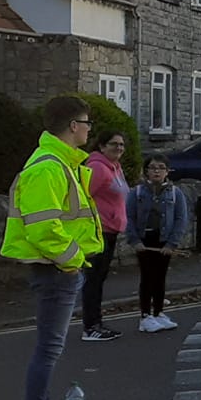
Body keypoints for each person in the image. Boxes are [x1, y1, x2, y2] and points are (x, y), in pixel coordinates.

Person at [1, 96, 102, 400]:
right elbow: (42, 228)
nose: (90, 129)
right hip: (56, 271)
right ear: (73, 126)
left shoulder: (61, 162)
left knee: (50, 349)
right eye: (87, 123)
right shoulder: (48, 167)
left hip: (59, 270)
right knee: (48, 350)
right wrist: (73, 260)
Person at [125, 157, 189, 332]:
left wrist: (172, 243)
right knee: (147, 278)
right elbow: (128, 217)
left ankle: (159, 312)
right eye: (153, 168)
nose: (157, 171)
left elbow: (181, 219)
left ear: (167, 172)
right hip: (144, 241)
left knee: (160, 278)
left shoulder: (176, 193)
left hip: (164, 241)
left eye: (161, 168)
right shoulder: (136, 192)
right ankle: (145, 316)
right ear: (146, 171)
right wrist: (134, 240)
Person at [78, 126, 129, 341]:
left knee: (99, 278)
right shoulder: (98, 168)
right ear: (101, 146)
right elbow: (82, 196)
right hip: (98, 230)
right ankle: (90, 326)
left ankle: (97, 323)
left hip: (110, 229)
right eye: (113, 144)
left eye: (121, 145)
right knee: (93, 279)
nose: (118, 148)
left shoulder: (114, 167)